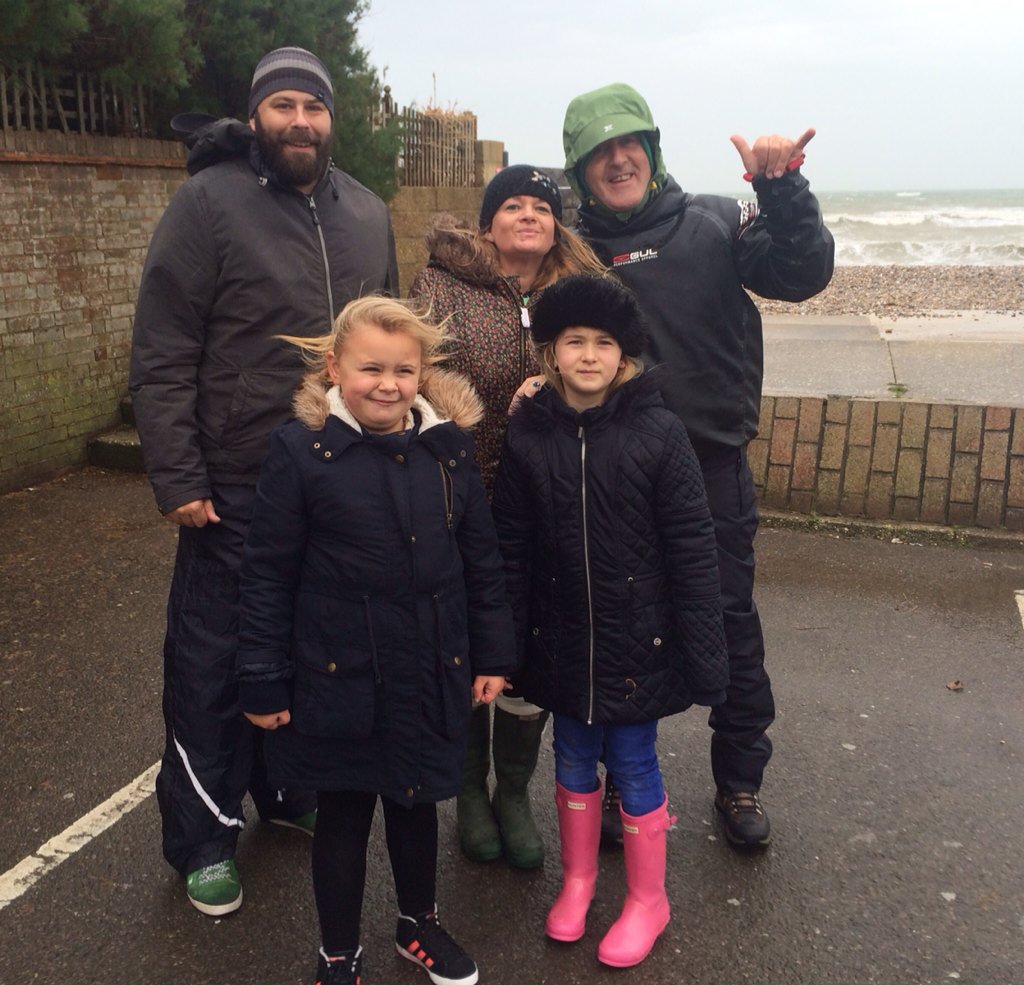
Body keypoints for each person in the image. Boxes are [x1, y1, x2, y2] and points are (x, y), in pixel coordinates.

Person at [129, 46, 398, 915]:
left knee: (310, 653)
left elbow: (389, 347)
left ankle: (285, 790)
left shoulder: (368, 212)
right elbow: (163, 347)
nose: (300, 122)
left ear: (332, 118)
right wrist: (177, 471)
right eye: (283, 105)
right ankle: (204, 837)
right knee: (213, 664)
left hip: (333, 484)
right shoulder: (208, 203)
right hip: (235, 485)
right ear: (256, 116)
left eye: (313, 107)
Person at [561, 83, 835, 848]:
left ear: (651, 150)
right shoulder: (570, 250)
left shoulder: (715, 219)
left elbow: (802, 272)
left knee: (728, 624)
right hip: (610, 474)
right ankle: (623, 778)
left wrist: (782, 189)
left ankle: (739, 780)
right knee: (618, 630)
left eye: (630, 144)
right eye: (599, 152)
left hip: (709, 464)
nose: (618, 160)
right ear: (580, 171)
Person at [237, 296, 516, 985]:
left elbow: (481, 561)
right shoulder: (302, 452)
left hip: (428, 668)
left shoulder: (447, 449)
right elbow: (267, 573)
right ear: (334, 367)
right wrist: (263, 679)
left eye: (404, 370)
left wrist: (492, 653)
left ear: (423, 373)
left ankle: (418, 923)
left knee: (417, 805)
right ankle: (338, 950)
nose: (388, 385)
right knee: (342, 817)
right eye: (371, 369)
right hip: (341, 679)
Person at [491, 274, 729, 967]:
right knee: (570, 758)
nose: (589, 355)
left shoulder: (659, 432)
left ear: (624, 353)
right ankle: (580, 880)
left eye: (603, 342)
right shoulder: (529, 436)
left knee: (632, 760)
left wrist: (705, 653)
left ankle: (648, 899)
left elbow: (692, 546)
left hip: (637, 644)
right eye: (574, 341)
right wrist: (505, 645)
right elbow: (512, 547)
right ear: (551, 351)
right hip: (562, 642)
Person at [408, 165, 606, 869]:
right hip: (462, 498)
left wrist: (554, 386)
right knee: (465, 645)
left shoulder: (580, 290)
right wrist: (466, 409)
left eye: (541, 207)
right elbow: (415, 371)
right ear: (487, 223)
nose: (528, 216)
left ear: (556, 225)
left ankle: (513, 792)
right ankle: (468, 789)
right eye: (512, 205)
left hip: (550, 502)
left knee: (531, 645)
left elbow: (611, 366)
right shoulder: (441, 286)